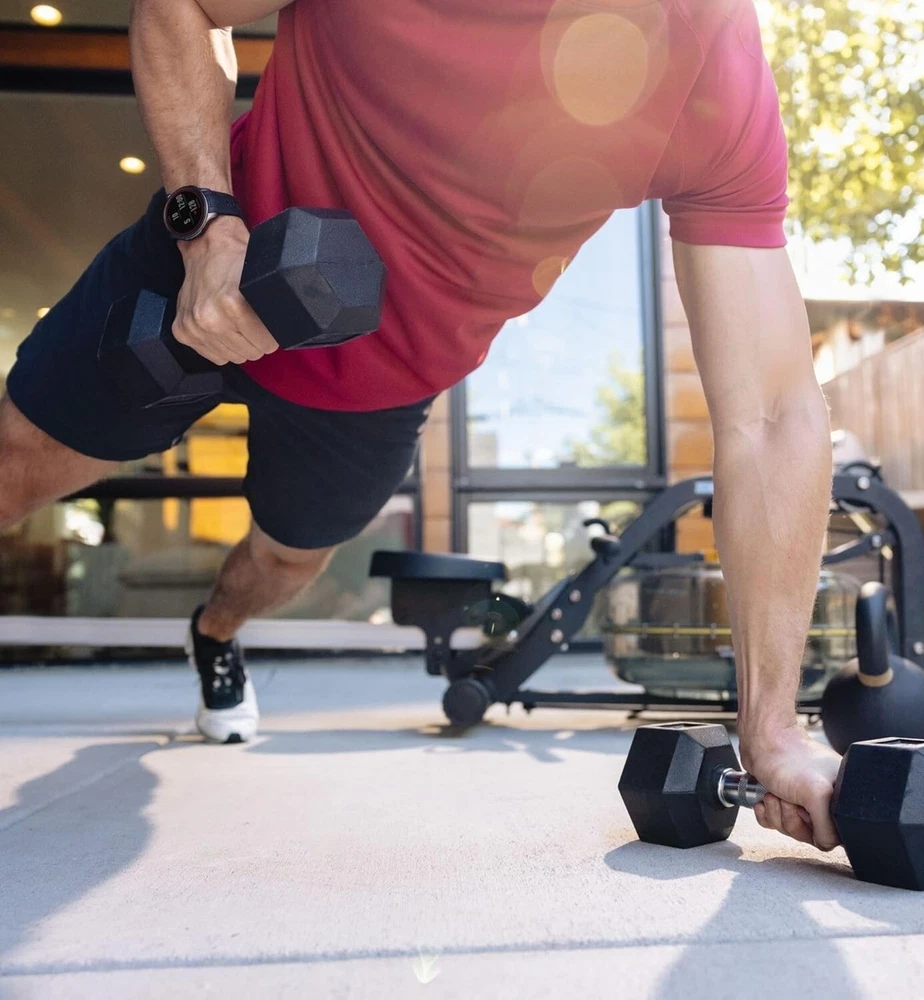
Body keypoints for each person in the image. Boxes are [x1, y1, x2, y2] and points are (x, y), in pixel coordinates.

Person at [0, 0, 842, 850]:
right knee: (11, 461)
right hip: (222, 249)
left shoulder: (711, 57)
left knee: (288, 560)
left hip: (378, 379)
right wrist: (208, 230)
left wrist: (772, 731)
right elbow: (182, 6)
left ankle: (214, 633)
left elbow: (773, 415)